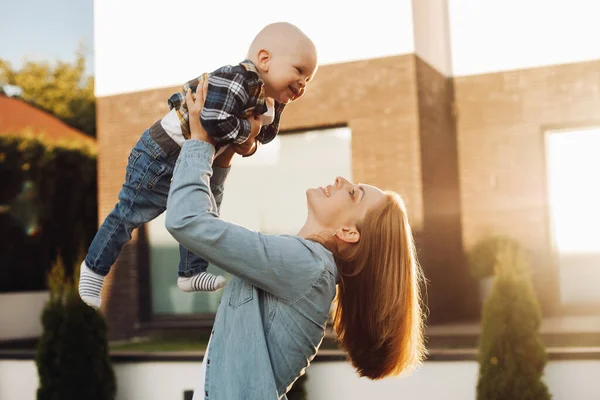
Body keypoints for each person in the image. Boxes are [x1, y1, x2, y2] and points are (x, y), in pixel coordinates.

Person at [163, 83, 427, 399]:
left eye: (353, 193)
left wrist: (199, 144)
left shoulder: (307, 266)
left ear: (348, 233)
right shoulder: (306, 266)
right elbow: (206, 231)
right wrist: (225, 156)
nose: (342, 180)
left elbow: (188, 222)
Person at [78, 22, 318, 309]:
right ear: (265, 59)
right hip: (161, 154)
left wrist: (268, 117)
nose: (303, 84)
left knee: (203, 213)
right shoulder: (236, 78)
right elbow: (214, 120)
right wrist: (248, 134)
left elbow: (263, 136)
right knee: (130, 213)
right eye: (299, 71)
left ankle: (190, 272)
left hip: (201, 156)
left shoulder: (268, 99)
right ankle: (94, 269)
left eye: (308, 80)